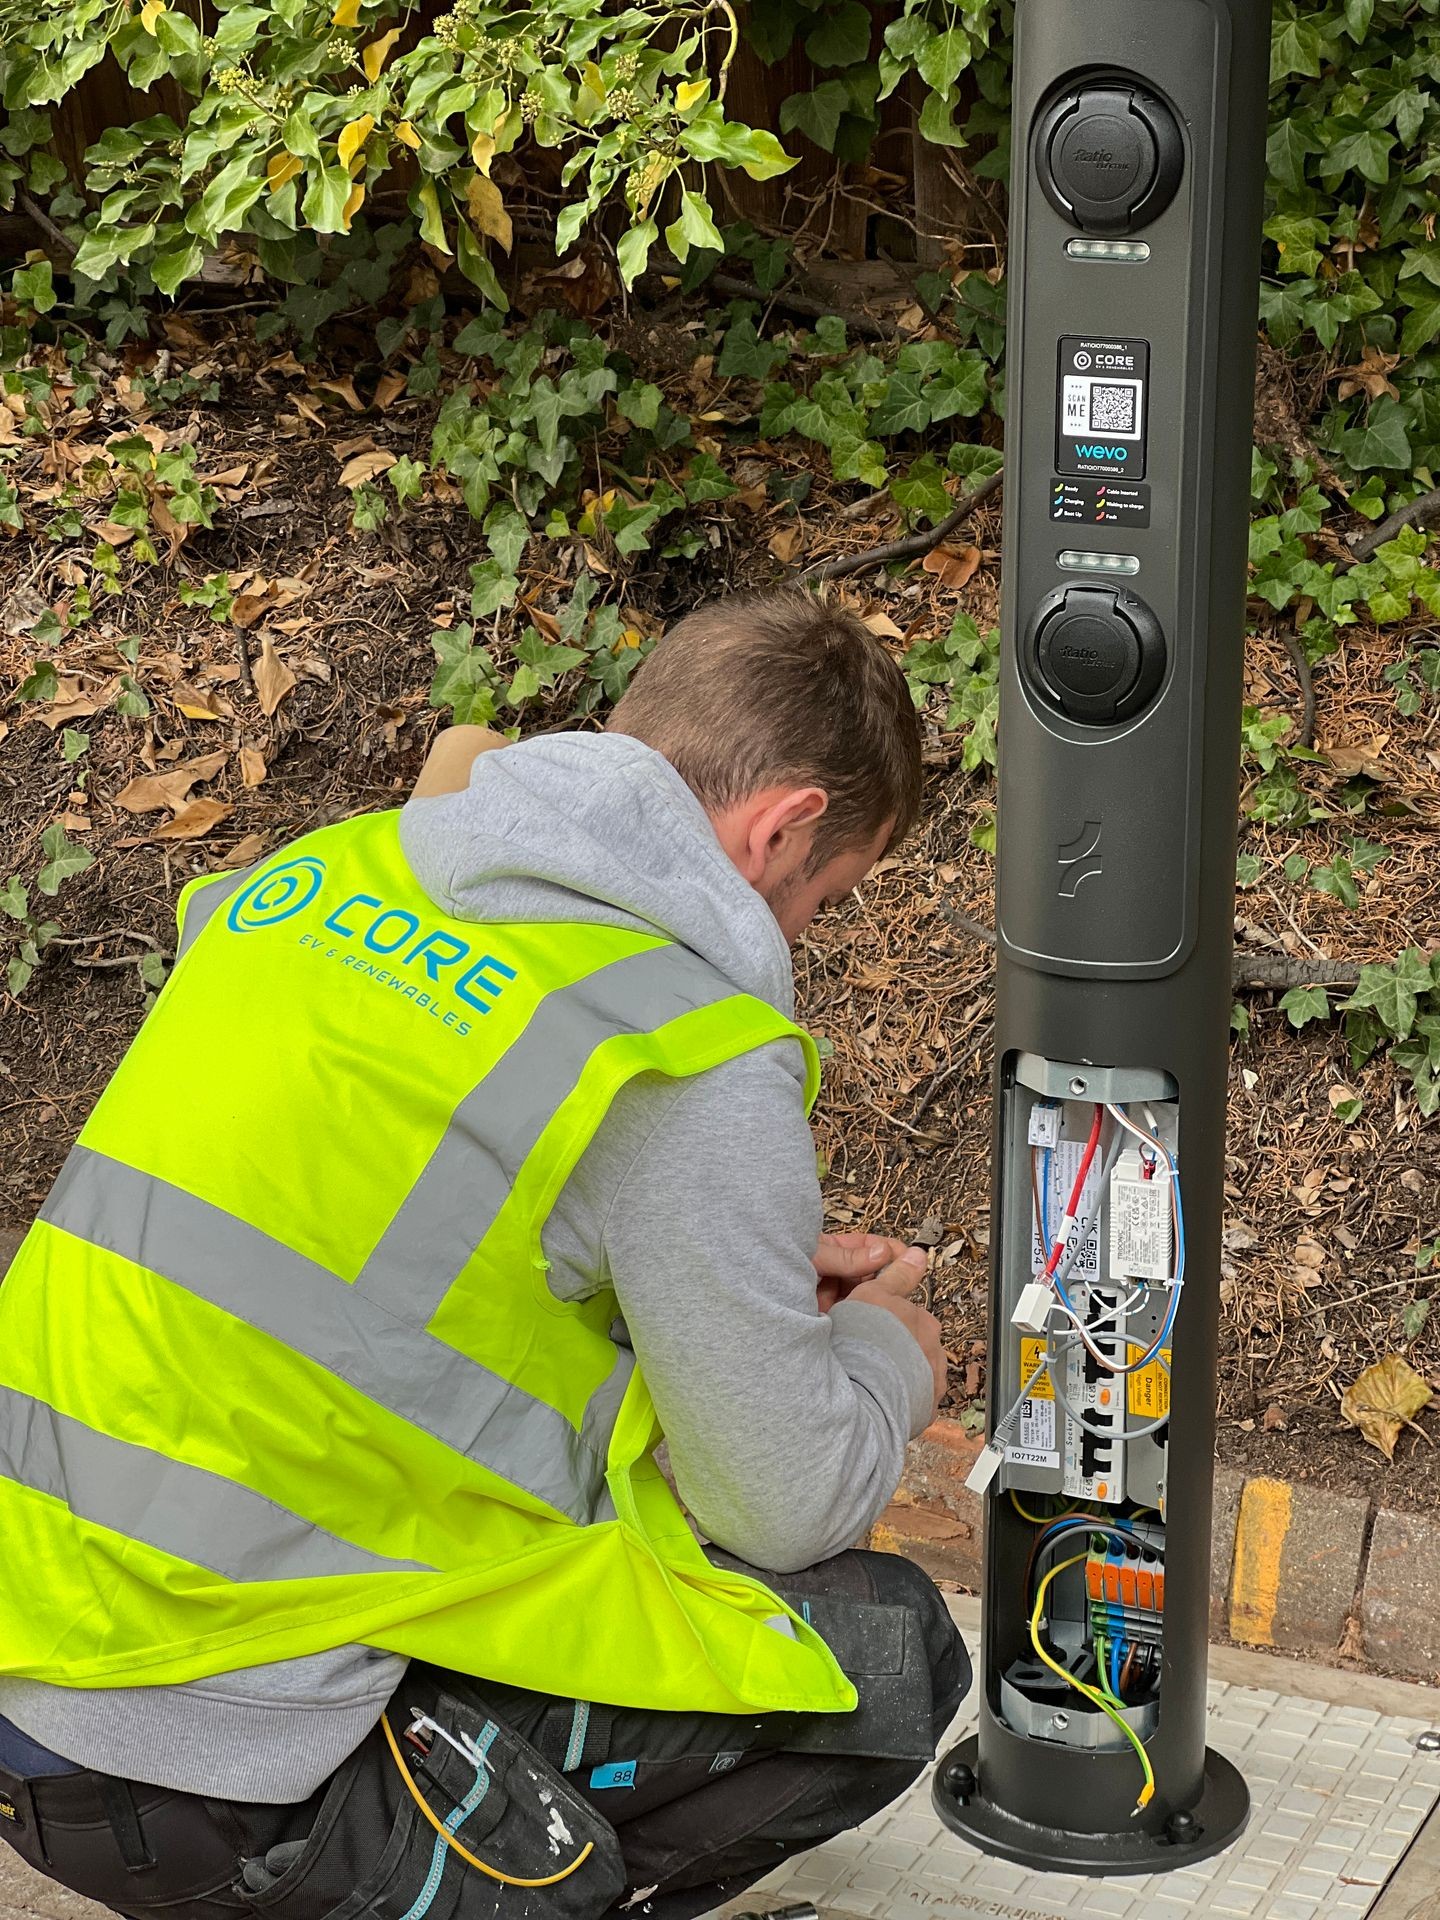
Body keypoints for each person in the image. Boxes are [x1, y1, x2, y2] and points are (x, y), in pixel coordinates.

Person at [0, 588, 967, 1920]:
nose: (800, 938)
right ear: (782, 826)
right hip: (229, 1765)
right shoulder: (683, 1044)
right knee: (885, 1654)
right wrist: (878, 1354)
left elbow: (367, 1259)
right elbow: (785, 1505)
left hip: (33, 1659)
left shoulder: (321, 877)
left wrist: (692, 1297)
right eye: (824, 900)